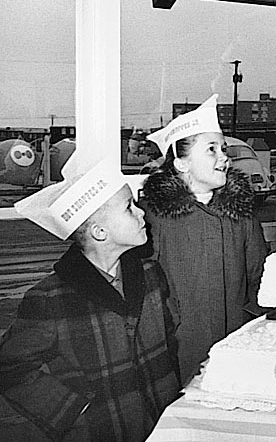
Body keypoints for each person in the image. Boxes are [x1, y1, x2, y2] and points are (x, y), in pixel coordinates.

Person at [0, 153, 181, 442]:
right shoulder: (50, 299)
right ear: (99, 232)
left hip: (164, 424)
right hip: (103, 430)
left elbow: (170, 335)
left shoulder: (150, 273)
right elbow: (10, 367)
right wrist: (74, 410)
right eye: (128, 208)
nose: (141, 213)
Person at [140, 94, 268, 383]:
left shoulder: (241, 213)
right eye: (211, 149)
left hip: (235, 352)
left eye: (223, 148)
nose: (224, 156)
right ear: (182, 164)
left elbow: (260, 279)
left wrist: (249, 326)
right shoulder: (152, 218)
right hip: (175, 355)